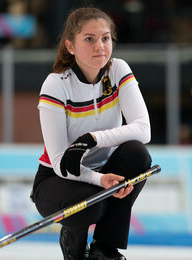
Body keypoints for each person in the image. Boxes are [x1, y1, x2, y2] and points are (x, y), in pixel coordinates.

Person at [30, 8, 152, 260]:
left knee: (137, 154)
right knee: (91, 204)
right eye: (89, 39)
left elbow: (143, 129)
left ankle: (104, 249)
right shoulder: (56, 84)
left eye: (105, 38)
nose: (100, 46)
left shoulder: (118, 70)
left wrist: (94, 138)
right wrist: (99, 180)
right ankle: (72, 243)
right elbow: (60, 162)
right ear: (70, 46)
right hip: (58, 179)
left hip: (105, 167)